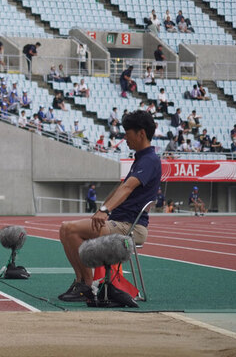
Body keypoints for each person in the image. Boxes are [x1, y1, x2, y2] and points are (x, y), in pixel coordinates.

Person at [57, 110, 160, 302]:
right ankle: (81, 281)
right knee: (65, 229)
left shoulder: (150, 160)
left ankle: (87, 286)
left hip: (130, 227)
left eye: (127, 134)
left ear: (141, 133)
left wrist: (104, 211)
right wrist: (101, 210)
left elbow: (128, 188)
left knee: (69, 230)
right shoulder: (141, 159)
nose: (125, 138)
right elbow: (122, 187)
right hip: (119, 221)